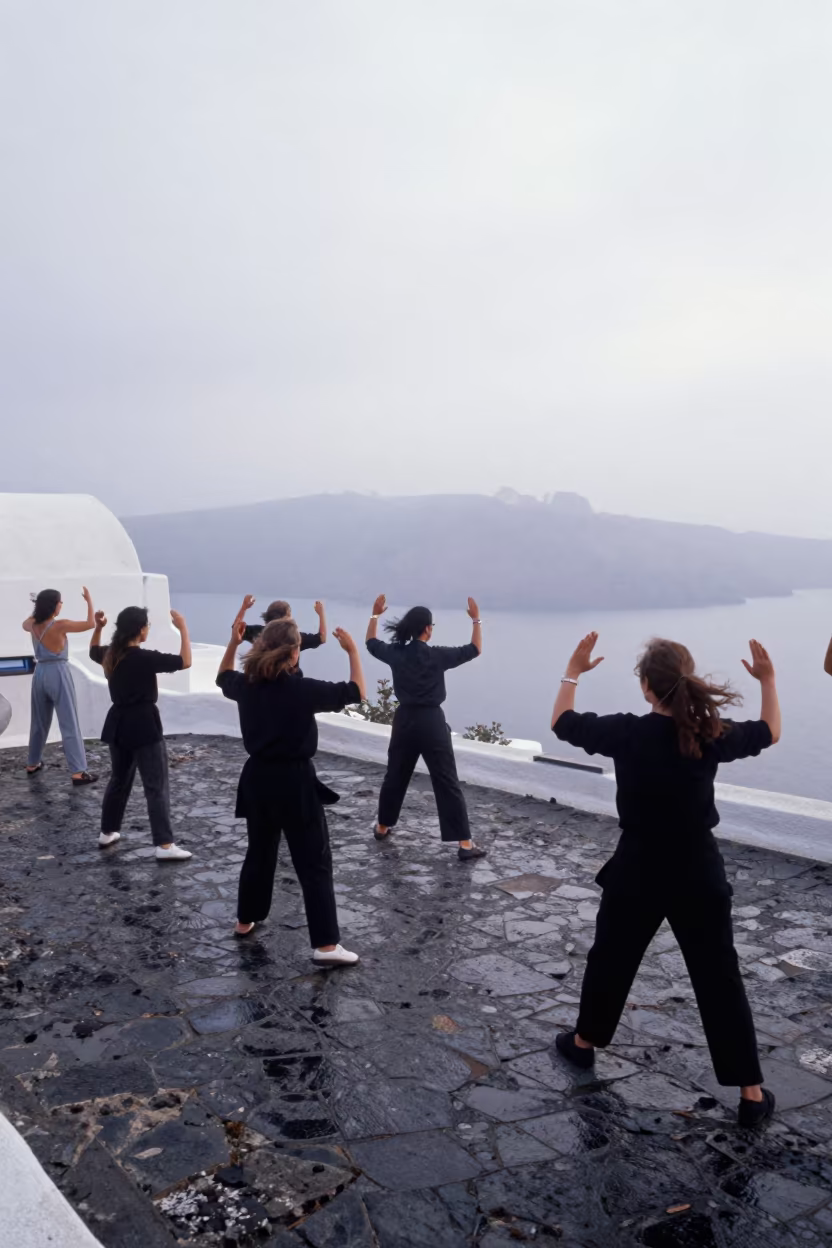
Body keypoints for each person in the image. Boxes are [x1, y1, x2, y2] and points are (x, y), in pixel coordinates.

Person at [550, 632, 781, 1127]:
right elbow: (769, 731)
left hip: (638, 865)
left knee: (611, 956)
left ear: (645, 686)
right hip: (699, 867)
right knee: (719, 975)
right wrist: (768, 680)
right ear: (686, 681)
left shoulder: (626, 732)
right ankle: (751, 1093)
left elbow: (562, 722)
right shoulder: (709, 732)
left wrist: (573, 668)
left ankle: (585, 1043)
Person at [217, 615, 365, 965]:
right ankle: (326, 946)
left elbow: (222, 676)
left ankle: (244, 920)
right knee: (314, 861)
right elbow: (356, 692)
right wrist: (353, 651)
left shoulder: (246, 684)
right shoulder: (301, 690)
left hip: (257, 779)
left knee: (260, 853)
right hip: (295, 782)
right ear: (294, 652)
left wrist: (234, 643)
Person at [366, 594, 486, 860]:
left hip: (405, 721)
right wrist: (476, 619)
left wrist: (375, 615)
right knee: (446, 781)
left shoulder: (396, 654)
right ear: (428, 629)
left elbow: (371, 642)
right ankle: (465, 844)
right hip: (431, 722)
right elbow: (475, 648)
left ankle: (382, 826)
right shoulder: (438, 656)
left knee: (395, 775)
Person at [89, 607, 193, 861]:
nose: (148, 630)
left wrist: (99, 627)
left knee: (119, 781)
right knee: (155, 785)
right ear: (139, 629)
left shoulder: (110, 654)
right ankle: (165, 845)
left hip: (118, 723)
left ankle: (107, 831)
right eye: (146, 626)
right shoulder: (143, 657)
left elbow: (93, 651)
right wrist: (183, 628)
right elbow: (185, 661)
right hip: (144, 724)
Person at [23, 587, 97, 784]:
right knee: (69, 722)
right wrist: (89, 601)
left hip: (39, 674)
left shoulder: (32, 624)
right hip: (58, 672)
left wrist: (36, 608)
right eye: (60, 602)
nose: (61, 605)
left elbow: (25, 623)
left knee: (39, 722)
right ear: (54, 605)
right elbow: (91, 624)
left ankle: (32, 762)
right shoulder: (60, 625)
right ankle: (78, 771)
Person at [235, 595, 327, 657]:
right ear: (286, 619)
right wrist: (321, 613)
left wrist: (244, 607)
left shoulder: (259, 632)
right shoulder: (294, 637)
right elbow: (322, 638)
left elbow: (236, 629)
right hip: (288, 683)